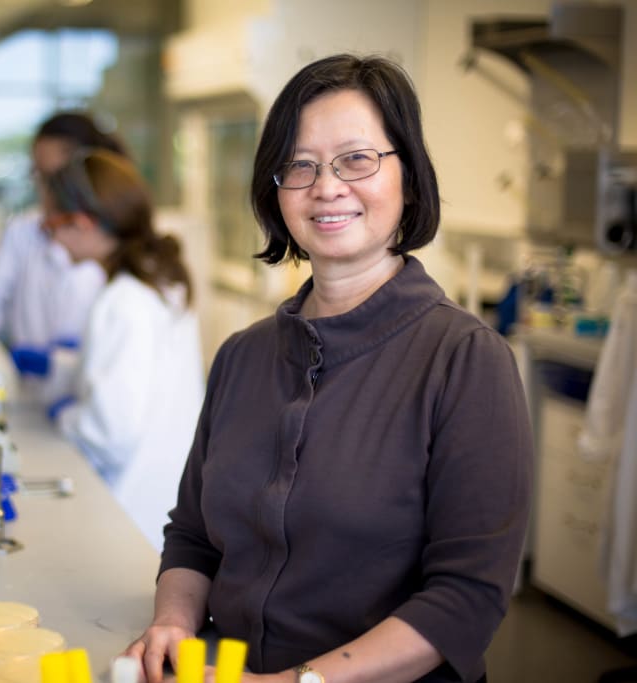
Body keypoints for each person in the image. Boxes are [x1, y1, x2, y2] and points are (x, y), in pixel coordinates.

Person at [124, 54, 533, 683]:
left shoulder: (465, 360)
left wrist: (297, 682)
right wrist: (173, 626)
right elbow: (194, 537)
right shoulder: (243, 355)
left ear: (410, 178)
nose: (326, 186)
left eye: (357, 159)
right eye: (300, 165)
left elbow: (465, 599)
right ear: (275, 188)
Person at [41, 149, 205, 551]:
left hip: (130, 509)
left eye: (53, 223)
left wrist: (67, 417)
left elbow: (112, 431)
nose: (53, 238)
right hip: (169, 500)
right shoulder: (163, 284)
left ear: (80, 223)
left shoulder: (122, 300)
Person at [0, 112, 127, 398]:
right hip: (39, 400)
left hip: (92, 409)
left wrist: (68, 362)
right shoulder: (24, 232)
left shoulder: (117, 249)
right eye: (37, 175)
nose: (43, 190)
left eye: (52, 178)